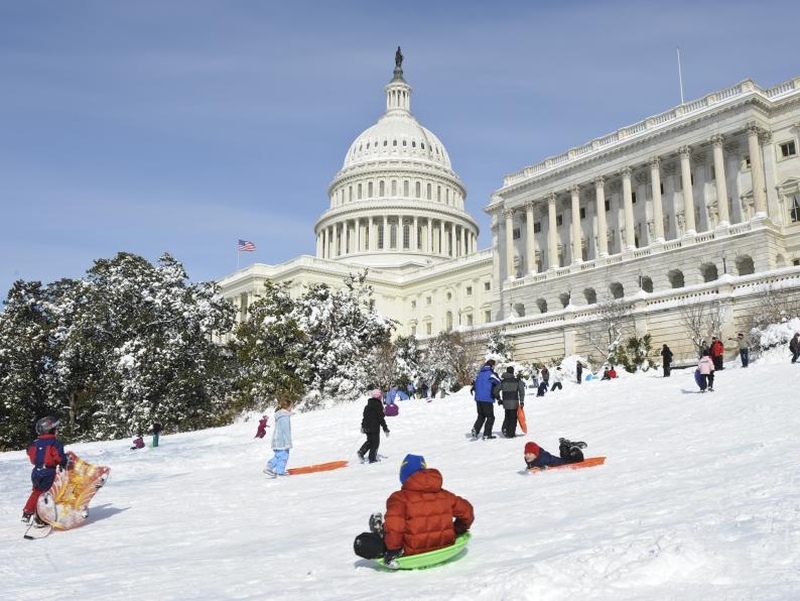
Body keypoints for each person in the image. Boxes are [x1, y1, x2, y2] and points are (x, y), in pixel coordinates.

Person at [381, 454, 474, 564]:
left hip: (412, 552)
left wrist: (394, 549)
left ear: (404, 476)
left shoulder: (399, 498)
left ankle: (380, 531)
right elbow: (467, 511)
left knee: (373, 539)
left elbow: (394, 526)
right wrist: (456, 530)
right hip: (446, 546)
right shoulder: (445, 495)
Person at [22, 416, 68, 523]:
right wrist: (63, 462)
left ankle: (27, 512)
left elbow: (29, 450)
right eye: (56, 429)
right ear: (51, 430)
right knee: (46, 495)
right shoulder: (55, 443)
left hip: (36, 472)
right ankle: (40, 518)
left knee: (37, 492)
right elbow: (59, 457)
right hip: (48, 472)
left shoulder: (34, 443)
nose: (58, 431)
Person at [357, 389, 390, 463]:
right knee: (375, 443)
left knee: (370, 441)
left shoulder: (368, 405)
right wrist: (385, 429)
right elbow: (380, 418)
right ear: (378, 396)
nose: (381, 397)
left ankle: (361, 452)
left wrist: (362, 426)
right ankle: (372, 459)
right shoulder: (378, 405)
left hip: (367, 427)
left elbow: (365, 417)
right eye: (380, 395)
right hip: (374, 427)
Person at [471, 359, 501, 439]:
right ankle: (487, 434)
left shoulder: (480, 374)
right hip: (487, 399)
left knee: (481, 415)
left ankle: (476, 429)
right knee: (490, 417)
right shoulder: (491, 374)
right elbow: (499, 382)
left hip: (478, 398)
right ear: (492, 366)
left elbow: (474, 383)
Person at [264, 399, 293, 477]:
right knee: (284, 456)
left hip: (276, 441)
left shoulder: (280, 415)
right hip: (282, 441)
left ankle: (269, 467)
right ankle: (280, 472)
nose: (292, 408)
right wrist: (288, 443)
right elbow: (285, 430)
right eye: (291, 406)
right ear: (287, 407)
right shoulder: (284, 416)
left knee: (278, 456)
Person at [498, 366, 525, 438]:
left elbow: (495, 391)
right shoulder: (517, 381)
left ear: (507, 371)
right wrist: (522, 401)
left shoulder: (503, 381)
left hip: (506, 403)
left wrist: (499, 399)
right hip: (514, 403)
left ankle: (505, 429)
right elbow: (522, 391)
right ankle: (511, 434)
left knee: (507, 416)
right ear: (513, 372)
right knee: (513, 418)